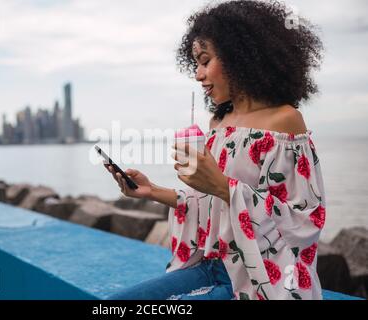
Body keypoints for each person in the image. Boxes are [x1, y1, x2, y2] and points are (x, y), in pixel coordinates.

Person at [105, 0, 325, 300]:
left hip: (259, 278)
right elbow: (211, 205)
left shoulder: (284, 122)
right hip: (211, 266)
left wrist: (222, 186)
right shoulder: (218, 122)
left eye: (205, 61)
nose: (197, 74)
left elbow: (305, 220)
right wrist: (153, 191)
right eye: (195, 63)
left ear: (240, 57)